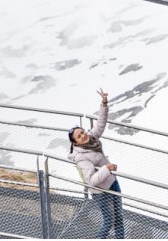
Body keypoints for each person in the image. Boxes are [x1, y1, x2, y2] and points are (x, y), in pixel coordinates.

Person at [68, 89, 125, 239]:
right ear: (75, 143)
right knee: (109, 221)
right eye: (79, 136)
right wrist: (106, 168)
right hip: (100, 192)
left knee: (119, 218)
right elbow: (91, 181)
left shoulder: (92, 139)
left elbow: (100, 123)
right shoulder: (81, 157)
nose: (83, 135)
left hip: (112, 182)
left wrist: (104, 103)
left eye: (82, 132)